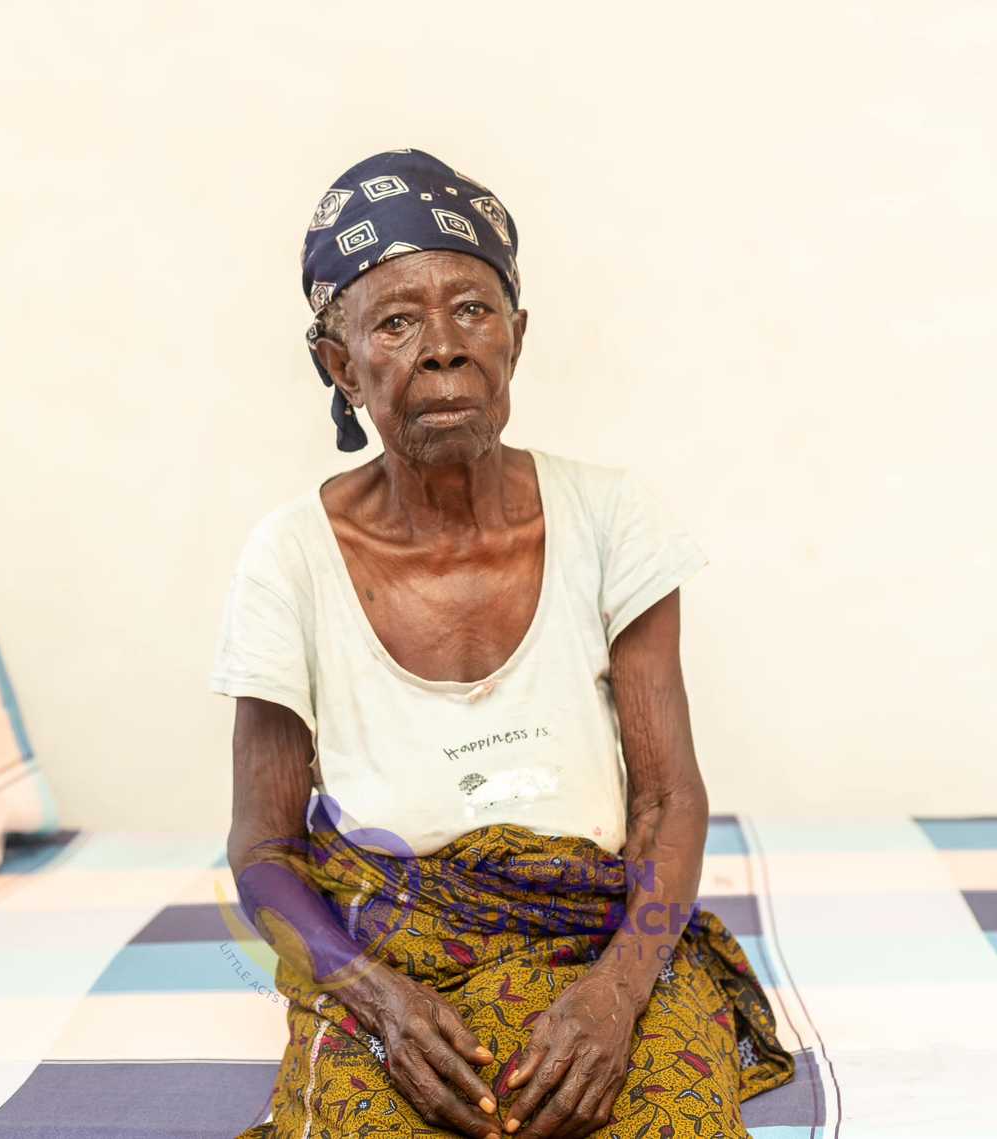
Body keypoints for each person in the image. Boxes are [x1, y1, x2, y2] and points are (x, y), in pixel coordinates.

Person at [210, 148, 795, 1139]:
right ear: (337, 362)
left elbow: (666, 795)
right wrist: (381, 1000)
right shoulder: (290, 556)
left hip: (596, 933)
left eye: (472, 309)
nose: (442, 347)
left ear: (516, 338)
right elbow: (263, 846)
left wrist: (615, 993)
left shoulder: (613, 517)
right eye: (395, 320)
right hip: (387, 951)